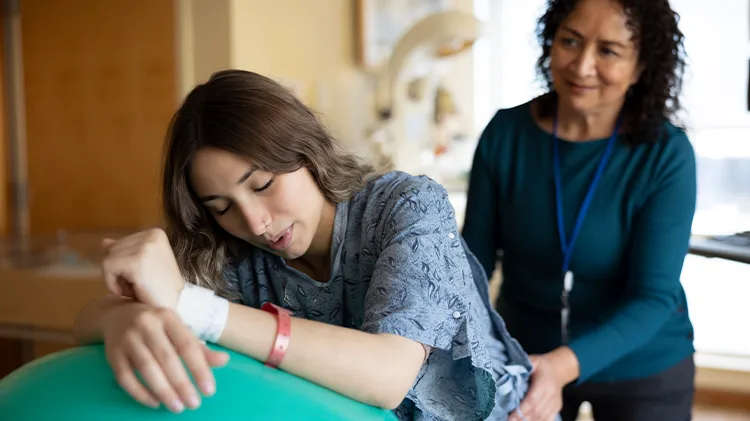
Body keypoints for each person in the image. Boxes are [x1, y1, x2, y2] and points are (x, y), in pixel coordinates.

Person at [73, 69, 536, 421]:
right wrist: (130, 320)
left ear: (306, 152)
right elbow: (88, 320)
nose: (254, 222)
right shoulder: (231, 253)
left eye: (262, 184)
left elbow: (389, 376)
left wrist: (189, 308)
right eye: (220, 205)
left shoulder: (406, 206)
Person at [462, 0, 696, 420]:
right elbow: (472, 263)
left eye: (608, 50)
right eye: (570, 41)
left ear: (641, 66)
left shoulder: (666, 155)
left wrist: (562, 365)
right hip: (525, 358)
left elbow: (652, 296)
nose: (582, 65)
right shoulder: (505, 134)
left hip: (640, 363)